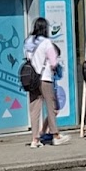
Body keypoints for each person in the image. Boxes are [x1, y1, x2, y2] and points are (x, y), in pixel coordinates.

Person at [25, 17, 70, 148]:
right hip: (45, 78)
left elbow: (28, 58)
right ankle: (55, 135)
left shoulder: (28, 42)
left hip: (31, 78)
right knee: (50, 107)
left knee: (34, 109)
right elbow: (54, 62)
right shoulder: (47, 43)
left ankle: (35, 139)